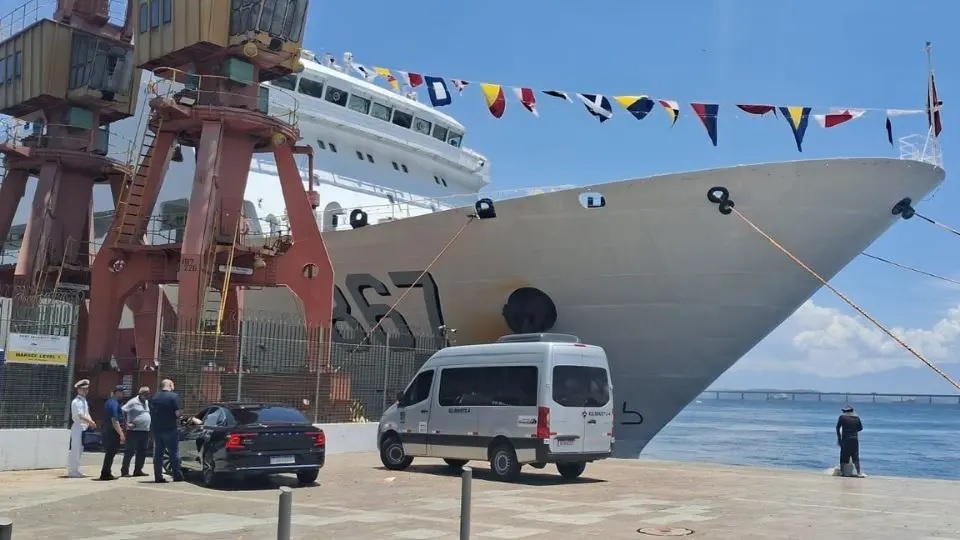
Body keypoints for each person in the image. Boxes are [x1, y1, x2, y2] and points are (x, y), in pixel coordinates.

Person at [150, 379, 184, 483]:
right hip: (170, 428)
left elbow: (152, 412)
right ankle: (176, 475)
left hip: (157, 429)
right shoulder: (174, 397)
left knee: (158, 454)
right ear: (169, 385)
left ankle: (158, 476)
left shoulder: (155, 397)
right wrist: (180, 415)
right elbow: (178, 413)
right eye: (173, 384)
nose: (173, 386)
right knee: (173, 453)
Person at [120, 386, 152, 477]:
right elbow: (122, 410)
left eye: (149, 394)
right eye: (146, 394)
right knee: (130, 451)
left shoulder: (146, 402)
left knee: (142, 451)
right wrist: (126, 423)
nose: (148, 396)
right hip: (134, 431)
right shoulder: (133, 402)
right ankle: (124, 471)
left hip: (145, 431)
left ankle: (138, 470)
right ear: (141, 394)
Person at [68, 379, 96, 478]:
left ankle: (76, 469)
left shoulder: (84, 401)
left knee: (80, 449)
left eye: (87, 389)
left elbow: (86, 413)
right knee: (75, 449)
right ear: (78, 389)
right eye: (83, 389)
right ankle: (72, 471)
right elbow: (80, 415)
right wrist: (90, 422)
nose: (85, 391)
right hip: (77, 426)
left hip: (84, 427)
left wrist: (91, 422)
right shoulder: (76, 401)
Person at [99, 385, 127, 480]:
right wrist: (121, 434)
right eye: (122, 392)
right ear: (117, 392)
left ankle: (106, 472)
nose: (123, 394)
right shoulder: (113, 403)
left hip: (110, 431)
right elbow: (114, 420)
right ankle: (105, 474)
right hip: (111, 432)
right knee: (110, 453)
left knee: (111, 453)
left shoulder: (112, 402)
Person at [836, 405, 865, 478]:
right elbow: (860, 428)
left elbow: (837, 427)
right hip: (854, 439)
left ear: (845, 411)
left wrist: (839, 438)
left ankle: (843, 472)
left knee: (843, 456)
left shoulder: (842, 417)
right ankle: (858, 473)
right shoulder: (857, 418)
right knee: (855, 456)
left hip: (845, 439)